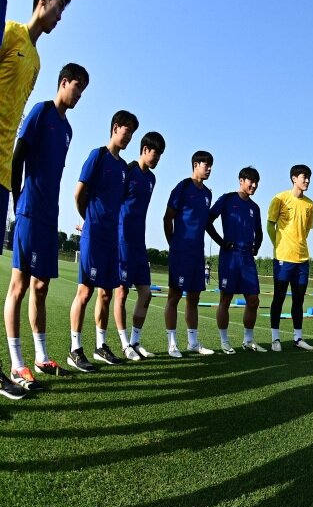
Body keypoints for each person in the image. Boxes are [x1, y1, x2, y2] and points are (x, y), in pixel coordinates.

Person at [2, 63, 83, 394]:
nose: (78, 94)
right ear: (63, 82)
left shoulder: (68, 130)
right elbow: (17, 156)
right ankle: (16, 362)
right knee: (19, 287)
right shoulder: (40, 112)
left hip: (50, 216)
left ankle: (41, 357)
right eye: (76, 86)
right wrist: (18, 199)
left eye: (83, 90)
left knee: (41, 288)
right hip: (30, 212)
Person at [1, 0, 71, 255]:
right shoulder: (8, 31)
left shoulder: (37, 62)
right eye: (59, 7)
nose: (60, 16)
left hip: (4, 172)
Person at [66, 110, 136, 372]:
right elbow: (78, 193)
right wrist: (89, 219)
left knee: (106, 293)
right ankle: (75, 349)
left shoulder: (122, 167)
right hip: (94, 235)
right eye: (126, 131)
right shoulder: (98, 155)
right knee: (85, 292)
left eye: (132, 133)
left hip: (111, 238)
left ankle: (101, 345)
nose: (128, 137)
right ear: (115, 128)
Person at [112, 130, 164, 361]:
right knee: (121, 292)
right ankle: (124, 344)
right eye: (156, 153)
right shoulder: (127, 171)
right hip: (122, 240)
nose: (158, 159)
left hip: (139, 243)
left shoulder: (152, 179)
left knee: (146, 293)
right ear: (144, 150)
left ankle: (135, 341)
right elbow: (112, 201)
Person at [163, 150, 214, 357]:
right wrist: (173, 244)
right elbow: (167, 217)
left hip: (197, 255)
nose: (209, 168)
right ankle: (172, 343)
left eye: (211, 165)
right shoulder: (182, 187)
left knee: (193, 298)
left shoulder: (207, 194)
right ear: (195, 165)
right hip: (180, 252)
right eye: (206, 164)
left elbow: (205, 223)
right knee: (174, 296)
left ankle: (193, 343)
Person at [206, 167, 263, 354]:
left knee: (253, 299)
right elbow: (208, 221)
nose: (253, 185)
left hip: (247, 258)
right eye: (250, 181)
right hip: (229, 256)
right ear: (241, 180)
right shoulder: (227, 199)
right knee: (226, 298)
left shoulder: (255, 207)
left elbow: (259, 232)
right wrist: (221, 242)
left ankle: (248, 340)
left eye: (256, 182)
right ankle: (224, 341)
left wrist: (257, 246)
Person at [266, 164, 313, 351]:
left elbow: (306, 231)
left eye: (309, 177)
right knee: (278, 297)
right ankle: (275, 339)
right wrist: (278, 245)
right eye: (304, 177)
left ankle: (298, 338)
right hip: (283, 258)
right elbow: (270, 225)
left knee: (299, 299)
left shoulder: (310, 204)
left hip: (302, 259)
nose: (308, 180)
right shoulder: (280, 198)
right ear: (294, 178)